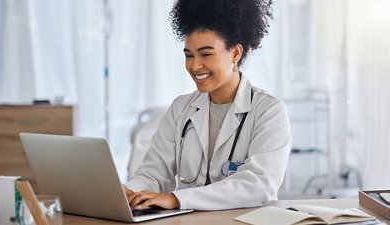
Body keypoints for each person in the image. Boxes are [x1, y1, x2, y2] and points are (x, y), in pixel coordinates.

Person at [124, 0, 291, 211]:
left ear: (235, 54)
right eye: (189, 55)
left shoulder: (268, 111)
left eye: (206, 54)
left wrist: (177, 199)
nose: (194, 66)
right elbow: (154, 172)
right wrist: (130, 192)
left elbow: (258, 185)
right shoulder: (180, 108)